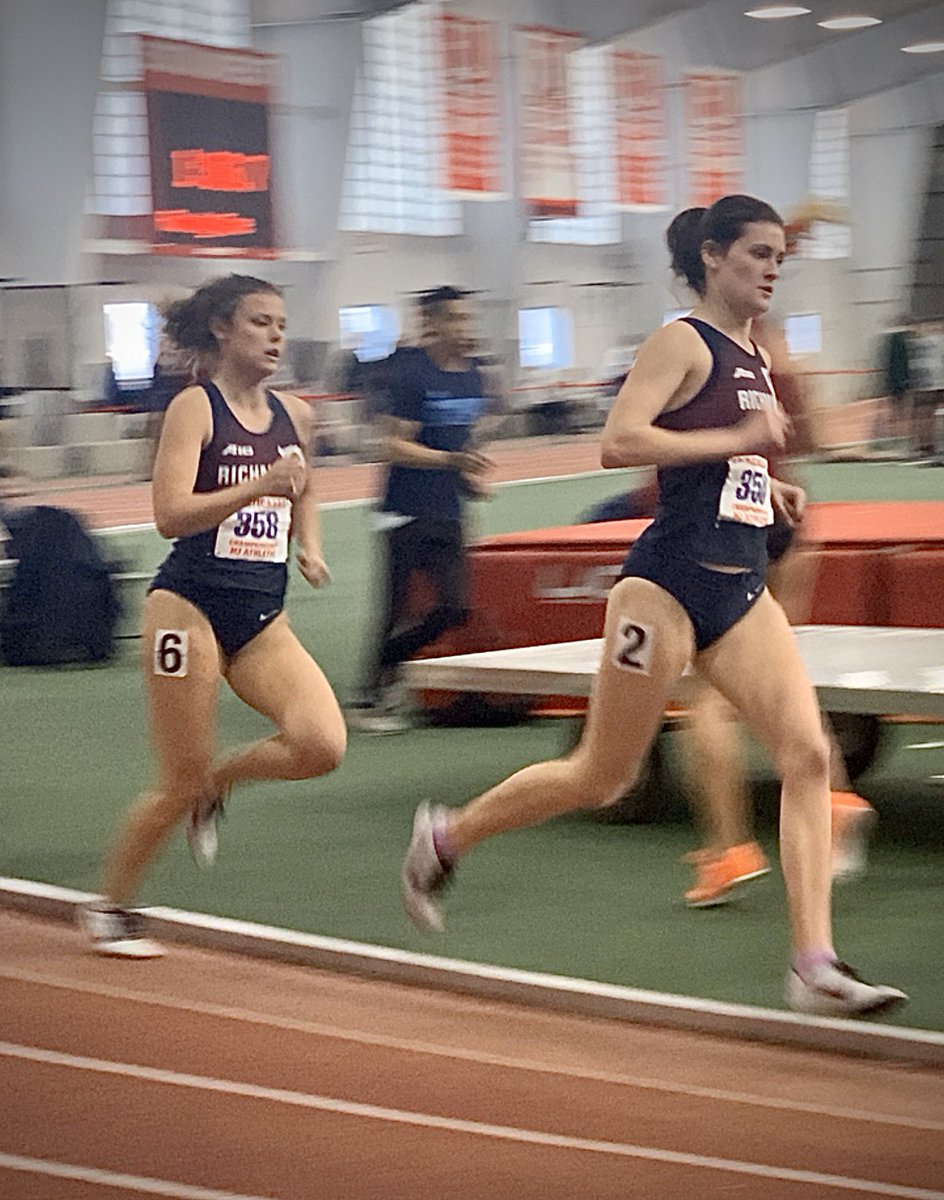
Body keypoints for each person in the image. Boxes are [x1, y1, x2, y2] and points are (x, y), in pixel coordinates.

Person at [400, 195, 906, 1018]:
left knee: (809, 756)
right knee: (602, 775)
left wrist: (765, 485)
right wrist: (739, 443)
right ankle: (447, 836)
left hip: (739, 586)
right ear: (712, 257)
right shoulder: (682, 341)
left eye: (781, 256)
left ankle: (812, 963)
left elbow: (717, 461)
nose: (774, 268)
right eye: (759, 254)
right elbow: (622, 441)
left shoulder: (752, 352)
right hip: (664, 587)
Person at [82, 274, 346, 958]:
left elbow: (303, 486)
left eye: (282, 324)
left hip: (262, 614)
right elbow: (169, 516)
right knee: (179, 778)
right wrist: (255, 486)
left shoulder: (297, 415)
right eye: (261, 322)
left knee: (321, 745)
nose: (276, 336)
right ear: (223, 330)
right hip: (187, 609)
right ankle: (111, 906)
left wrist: (310, 545)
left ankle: (221, 784)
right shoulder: (195, 411)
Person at [681, 314, 876, 907]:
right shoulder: (773, 363)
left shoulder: (695, 358)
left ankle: (727, 849)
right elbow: (810, 440)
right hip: (785, 520)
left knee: (708, 703)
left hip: (724, 533)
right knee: (782, 682)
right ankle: (837, 801)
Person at [347, 286, 493, 733]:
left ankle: (393, 666)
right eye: (455, 320)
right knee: (395, 609)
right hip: (404, 511)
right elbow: (391, 445)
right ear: (432, 324)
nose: (465, 329)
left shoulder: (473, 378)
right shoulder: (411, 375)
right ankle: (367, 698)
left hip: (447, 510)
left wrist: (467, 475)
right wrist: (451, 461)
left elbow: (461, 441)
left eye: (467, 319)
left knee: (455, 606)